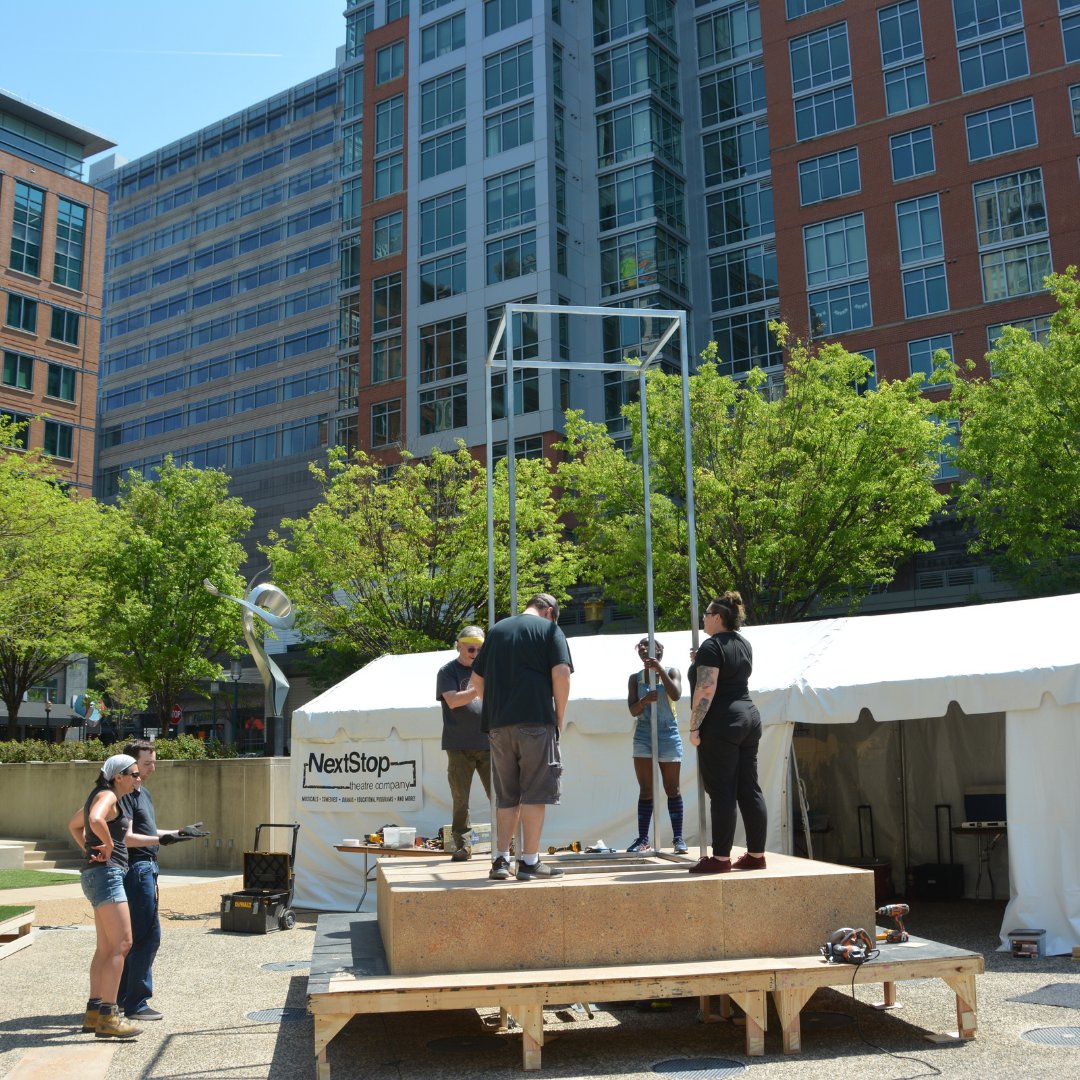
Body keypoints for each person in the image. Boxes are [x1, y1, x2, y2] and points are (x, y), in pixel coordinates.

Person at [469, 593, 573, 882]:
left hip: (499, 726)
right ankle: (529, 861)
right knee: (534, 792)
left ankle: (500, 860)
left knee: (507, 795)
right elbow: (562, 674)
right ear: (549, 611)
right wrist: (559, 717)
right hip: (536, 721)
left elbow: (476, 680)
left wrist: (495, 707)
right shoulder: (551, 630)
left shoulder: (497, 630)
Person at [118, 738, 200, 1022]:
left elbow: (150, 830)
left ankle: (122, 998)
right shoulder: (125, 793)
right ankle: (136, 1003)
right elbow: (126, 838)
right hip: (137, 868)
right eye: (146, 763)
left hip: (147, 867)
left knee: (134, 937)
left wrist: (179, 833)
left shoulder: (144, 792)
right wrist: (160, 839)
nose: (152, 767)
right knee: (147, 937)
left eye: (154, 761)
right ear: (130, 764)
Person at [687, 592, 768, 875]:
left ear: (718, 618)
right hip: (749, 717)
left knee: (722, 791)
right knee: (749, 787)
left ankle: (721, 859)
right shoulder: (743, 644)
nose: (704, 619)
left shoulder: (711, 646)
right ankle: (756, 855)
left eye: (706, 615)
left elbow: (706, 688)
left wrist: (694, 726)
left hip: (722, 722)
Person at [67, 754, 144, 1040]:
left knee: (105, 947)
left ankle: (94, 1012)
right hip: (107, 875)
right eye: (133, 774)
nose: (138, 778)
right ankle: (109, 1017)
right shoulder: (108, 796)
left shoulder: (101, 795)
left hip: (97, 875)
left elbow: (75, 825)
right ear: (118, 776)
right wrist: (108, 845)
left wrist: (90, 848)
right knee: (123, 943)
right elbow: (94, 819)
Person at [436, 626, 492, 861]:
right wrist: (478, 688)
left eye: (480, 649)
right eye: (471, 648)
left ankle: (506, 842)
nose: (475, 653)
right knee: (461, 799)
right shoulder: (448, 671)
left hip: (489, 742)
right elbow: (452, 701)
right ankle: (463, 845)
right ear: (459, 646)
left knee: (500, 796)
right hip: (458, 745)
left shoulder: (490, 668)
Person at [625, 638, 686, 854]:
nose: (642, 648)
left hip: (668, 734)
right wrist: (643, 701)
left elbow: (676, 694)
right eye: (639, 646)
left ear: (659, 650)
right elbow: (632, 710)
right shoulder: (635, 678)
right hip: (643, 734)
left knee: (672, 788)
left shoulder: (672, 671)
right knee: (646, 790)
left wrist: (658, 668)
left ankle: (678, 838)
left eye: (646, 645)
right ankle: (643, 839)